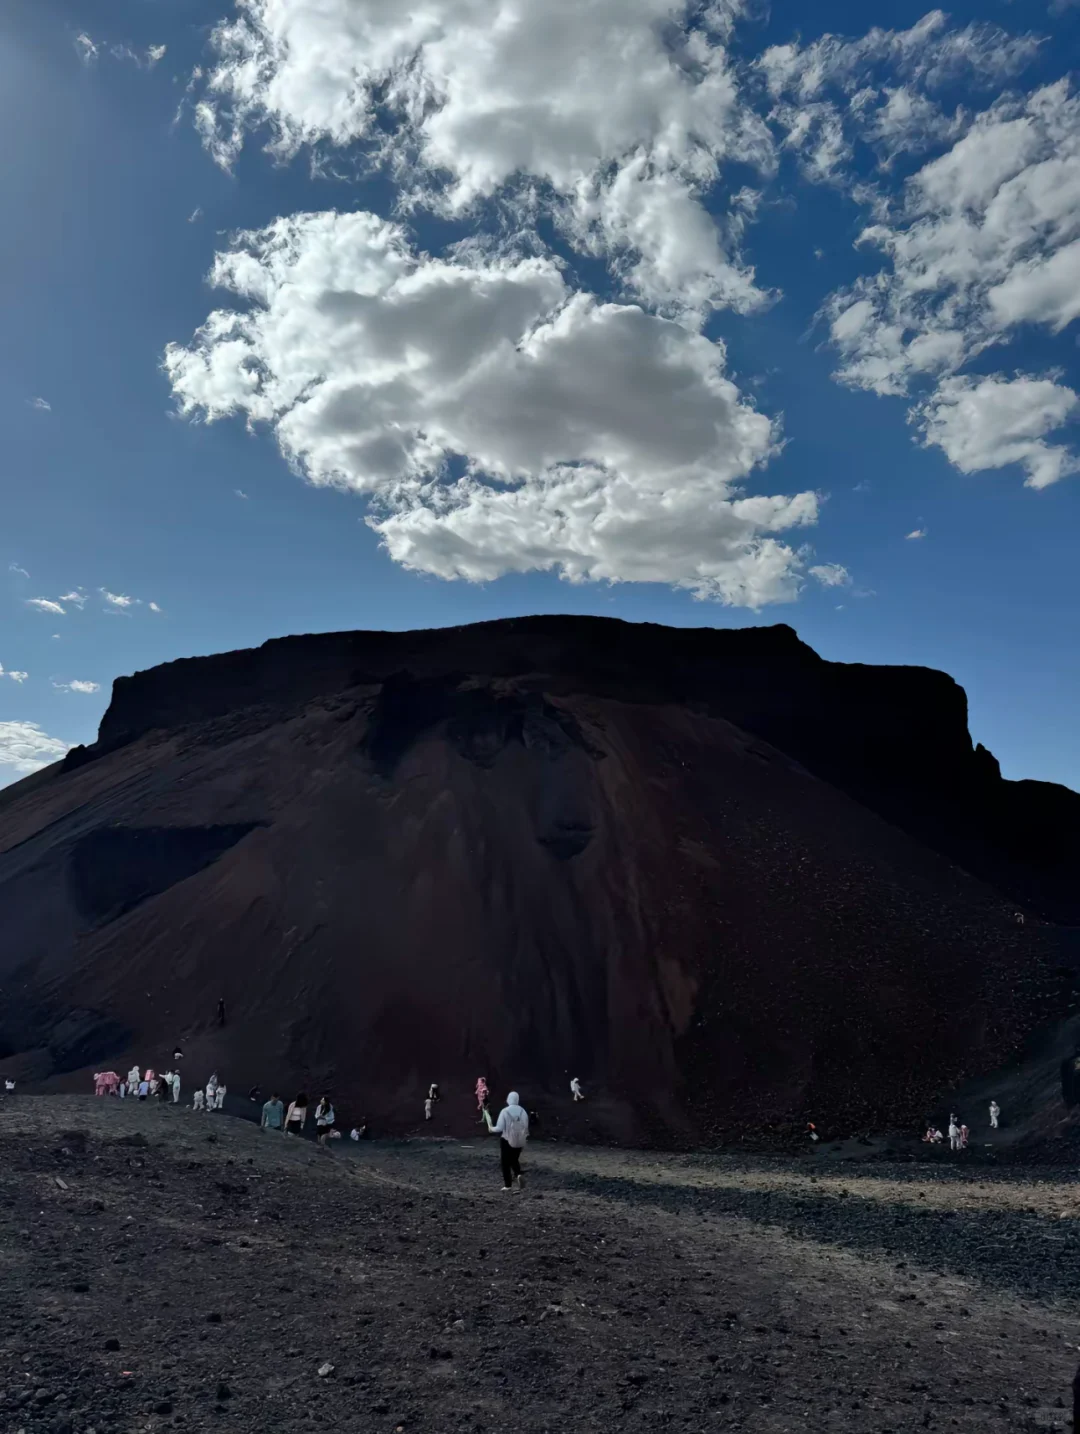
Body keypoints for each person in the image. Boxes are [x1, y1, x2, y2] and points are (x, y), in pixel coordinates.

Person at [487, 1090, 529, 1191]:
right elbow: (526, 1126)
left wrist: (491, 1128)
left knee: (505, 1163)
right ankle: (518, 1174)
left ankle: (508, 1185)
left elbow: (499, 1128)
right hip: (520, 1141)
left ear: (509, 1100)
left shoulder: (505, 1111)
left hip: (506, 1140)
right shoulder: (523, 1111)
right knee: (514, 1159)